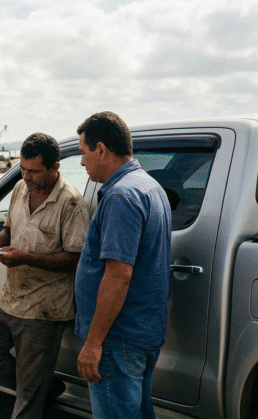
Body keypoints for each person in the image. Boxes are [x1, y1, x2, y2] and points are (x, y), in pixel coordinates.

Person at [0, 133, 90, 419]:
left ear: (55, 167)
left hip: (44, 310)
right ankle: (41, 387)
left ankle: (35, 389)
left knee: (26, 405)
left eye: (34, 171)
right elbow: (9, 230)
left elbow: (75, 259)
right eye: (23, 168)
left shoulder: (71, 203)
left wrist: (24, 258)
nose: (27, 176)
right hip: (10, 299)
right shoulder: (20, 188)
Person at [74, 111, 172, 418]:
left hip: (118, 339)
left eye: (83, 153)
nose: (81, 162)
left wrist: (93, 343)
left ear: (101, 149)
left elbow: (119, 276)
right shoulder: (150, 186)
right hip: (140, 333)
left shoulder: (121, 196)